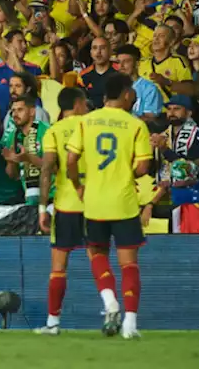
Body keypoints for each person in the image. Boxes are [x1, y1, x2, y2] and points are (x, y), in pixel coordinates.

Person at [66, 74, 151, 339]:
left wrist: (78, 185)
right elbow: (143, 167)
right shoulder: (136, 125)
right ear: (125, 94)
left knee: (98, 254)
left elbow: (71, 159)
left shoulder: (86, 122)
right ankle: (130, 324)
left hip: (94, 202)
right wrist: (125, 173)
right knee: (129, 265)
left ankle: (109, 302)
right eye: (133, 92)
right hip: (124, 202)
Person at [34, 86, 90, 335]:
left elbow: (46, 170)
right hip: (95, 203)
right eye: (85, 103)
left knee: (58, 267)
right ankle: (114, 312)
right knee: (99, 262)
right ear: (78, 103)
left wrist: (42, 208)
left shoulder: (54, 131)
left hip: (65, 205)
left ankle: (53, 322)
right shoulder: (93, 125)